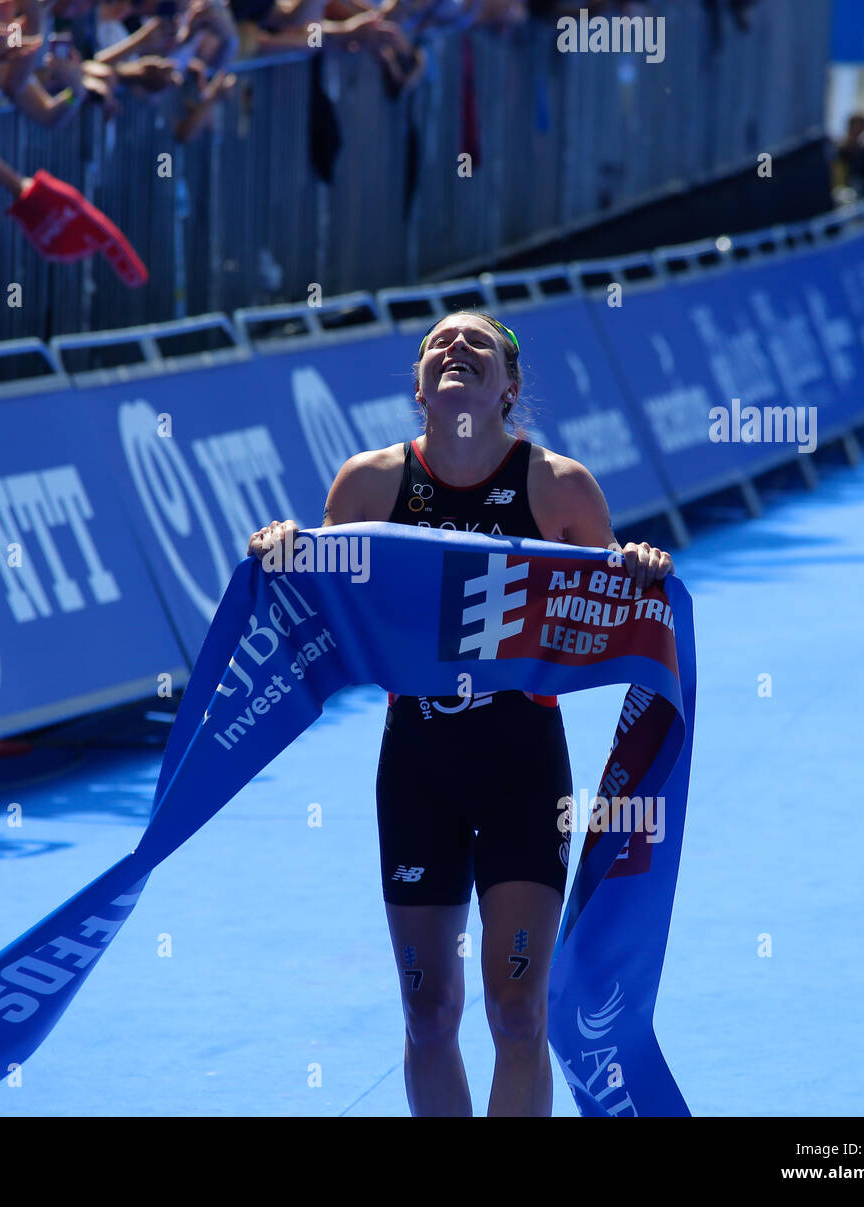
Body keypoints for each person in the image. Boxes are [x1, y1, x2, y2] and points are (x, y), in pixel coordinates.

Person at [246, 310, 674, 1117]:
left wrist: (637, 567)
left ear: (509, 387)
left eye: (480, 342)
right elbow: (332, 607)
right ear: (418, 386)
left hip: (523, 768)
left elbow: (609, 612)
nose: (457, 347)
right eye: (439, 341)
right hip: (417, 771)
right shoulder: (368, 486)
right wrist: (285, 548)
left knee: (517, 1012)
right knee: (428, 1011)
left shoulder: (560, 487)